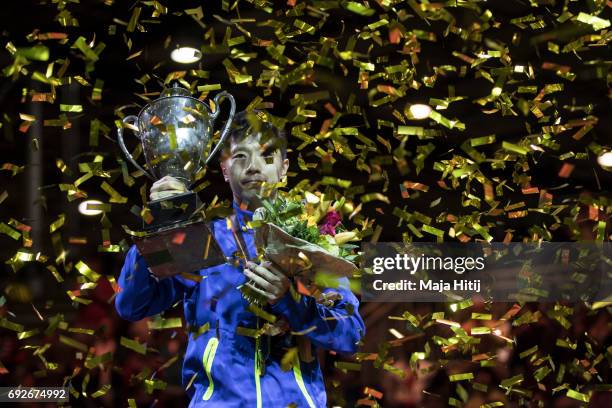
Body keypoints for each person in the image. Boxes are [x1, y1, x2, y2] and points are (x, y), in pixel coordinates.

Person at [115, 110, 365, 407]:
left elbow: (352, 336)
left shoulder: (313, 243)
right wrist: (159, 226)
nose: (253, 167)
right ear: (224, 169)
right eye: (240, 157)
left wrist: (291, 301)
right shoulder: (202, 241)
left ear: (284, 169)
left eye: (266, 156)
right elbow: (131, 304)